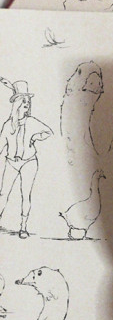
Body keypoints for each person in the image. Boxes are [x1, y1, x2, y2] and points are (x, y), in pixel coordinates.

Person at [0, 78, 52, 238]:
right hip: (11, 162)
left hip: (29, 162)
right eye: (23, 101)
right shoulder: (8, 125)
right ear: (16, 104)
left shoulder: (32, 122)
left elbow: (48, 132)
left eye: (28, 102)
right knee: (3, 193)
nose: (26, 105)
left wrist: (35, 137)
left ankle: (23, 227)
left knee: (25, 194)